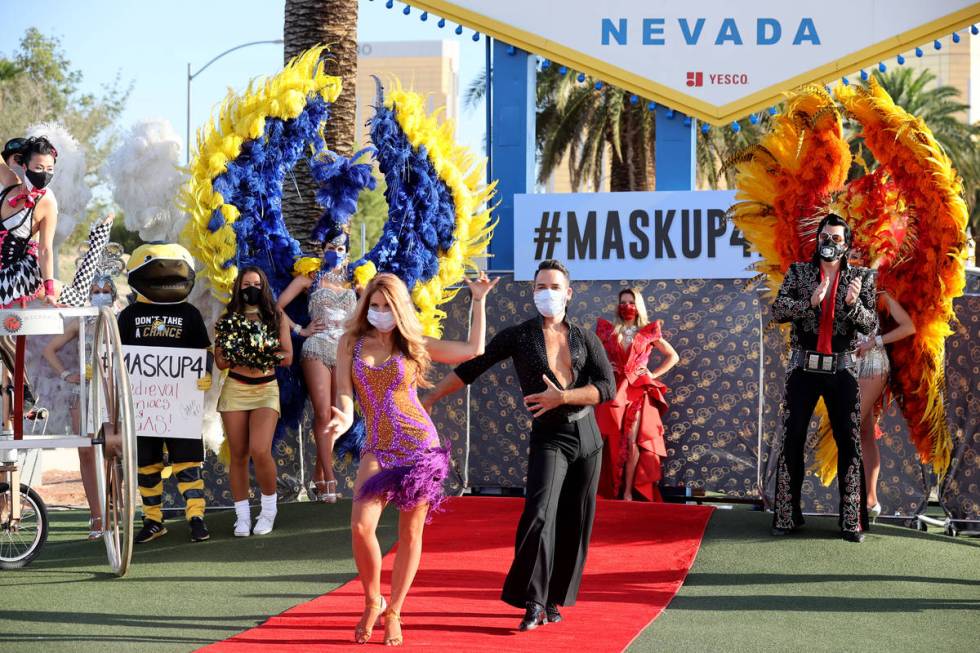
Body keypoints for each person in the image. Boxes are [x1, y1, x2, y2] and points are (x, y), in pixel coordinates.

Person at [424, 259, 616, 632]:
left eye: (554, 287)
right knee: (539, 514)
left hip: (588, 438)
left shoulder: (584, 337)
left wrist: (565, 397)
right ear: (533, 293)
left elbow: (607, 388)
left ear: (568, 293)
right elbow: (472, 367)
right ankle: (533, 600)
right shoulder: (519, 335)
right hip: (550, 437)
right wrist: (431, 398)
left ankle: (555, 599)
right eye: (541, 287)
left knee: (574, 521)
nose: (548, 293)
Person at [325, 271, 497, 646]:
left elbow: (473, 350)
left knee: (410, 532)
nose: (380, 312)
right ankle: (373, 599)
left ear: (400, 308)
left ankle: (396, 611)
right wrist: (341, 416)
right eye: (374, 305)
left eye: (388, 306)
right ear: (365, 305)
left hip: (419, 445)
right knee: (360, 527)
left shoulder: (412, 343)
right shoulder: (349, 343)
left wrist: (479, 301)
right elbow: (345, 396)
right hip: (378, 446)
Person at [770, 214, 877, 543]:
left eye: (836, 239)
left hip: (842, 369)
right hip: (802, 368)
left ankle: (851, 521)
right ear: (817, 239)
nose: (829, 244)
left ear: (847, 245)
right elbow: (778, 310)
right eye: (825, 237)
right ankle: (787, 517)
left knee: (849, 442)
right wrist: (809, 302)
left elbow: (869, 324)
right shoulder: (799, 272)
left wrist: (852, 304)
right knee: (792, 439)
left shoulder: (861, 277)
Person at [119, 243, 213, 544]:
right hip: (142, 405)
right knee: (146, 463)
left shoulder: (190, 313)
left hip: (180, 403)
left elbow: (203, 350)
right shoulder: (129, 315)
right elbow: (116, 351)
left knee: (187, 461)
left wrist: (206, 373)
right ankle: (153, 520)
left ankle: (196, 516)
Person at [276, 226, 356, 503]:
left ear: (347, 253)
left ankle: (317, 477)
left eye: (341, 248)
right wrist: (299, 329)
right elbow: (276, 306)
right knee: (323, 413)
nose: (335, 252)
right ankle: (330, 479)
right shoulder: (310, 277)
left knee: (337, 417)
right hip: (317, 347)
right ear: (322, 250)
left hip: (345, 352)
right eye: (331, 248)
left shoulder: (356, 281)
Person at [42, 274, 122, 540]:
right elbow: (49, 351)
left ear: (114, 292)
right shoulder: (81, 320)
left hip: (112, 393)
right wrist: (66, 374)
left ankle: (114, 509)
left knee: (114, 450)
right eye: (95, 289)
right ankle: (96, 515)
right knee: (87, 453)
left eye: (106, 289)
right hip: (83, 392)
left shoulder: (121, 319)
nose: (100, 293)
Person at [215, 266, 293, 537]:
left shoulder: (276, 316)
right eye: (246, 284)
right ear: (238, 288)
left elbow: (288, 356)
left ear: (264, 287)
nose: (252, 289)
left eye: (257, 284)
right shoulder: (229, 318)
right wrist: (234, 351)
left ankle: (268, 511)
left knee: (260, 450)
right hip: (235, 388)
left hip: (265, 390)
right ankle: (242, 517)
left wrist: (258, 353)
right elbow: (221, 361)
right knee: (238, 455)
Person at [595, 288, 678, 501]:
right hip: (615, 390)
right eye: (622, 302)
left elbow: (673, 356)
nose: (626, 306)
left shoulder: (648, 332)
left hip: (638, 390)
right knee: (610, 438)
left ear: (638, 305)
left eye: (631, 302)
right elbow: (591, 354)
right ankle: (610, 488)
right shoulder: (610, 331)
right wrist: (605, 367)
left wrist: (652, 374)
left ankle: (628, 492)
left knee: (632, 441)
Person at [850, 259, 916, 521]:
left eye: (858, 256)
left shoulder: (878, 292)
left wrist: (874, 342)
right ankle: (870, 501)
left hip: (873, 366)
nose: (853, 259)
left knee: (850, 426)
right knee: (864, 431)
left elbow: (908, 326)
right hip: (846, 366)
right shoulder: (833, 286)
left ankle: (854, 499)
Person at [0, 136, 59, 426]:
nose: (44, 173)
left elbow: (47, 248)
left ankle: (25, 394)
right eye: (38, 166)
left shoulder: (47, 202)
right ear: (24, 165)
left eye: (50, 168)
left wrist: (48, 288)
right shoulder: (9, 181)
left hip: (18, 272)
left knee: (0, 330)